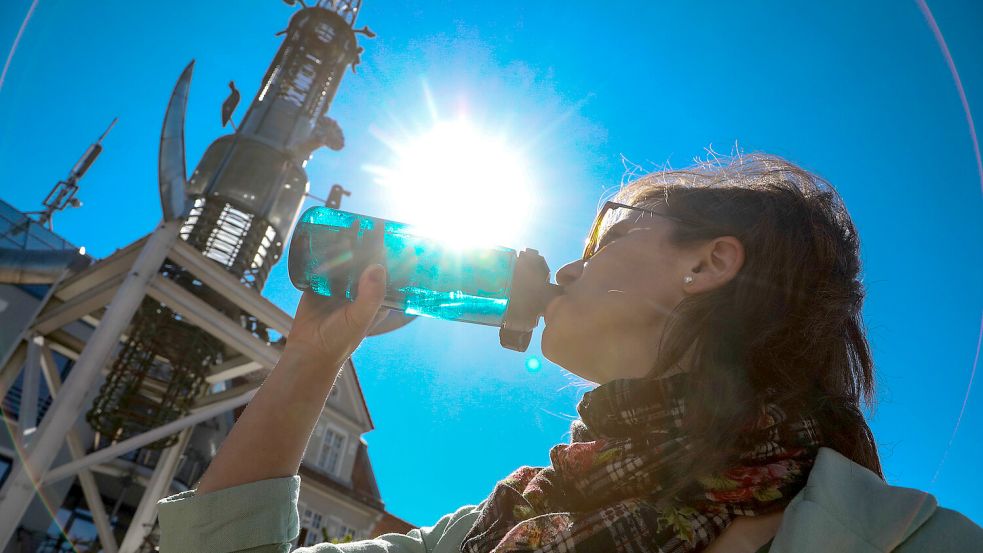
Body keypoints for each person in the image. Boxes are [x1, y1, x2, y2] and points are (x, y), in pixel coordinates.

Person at [157, 153, 983, 552]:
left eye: (610, 236)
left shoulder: (906, 541)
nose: (571, 266)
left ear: (707, 263)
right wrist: (311, 358)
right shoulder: (497, 522)